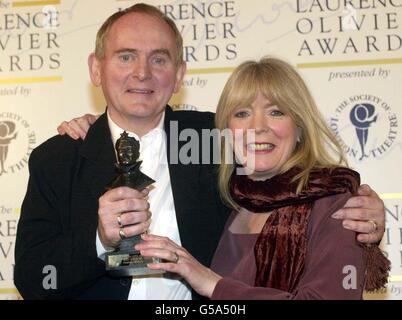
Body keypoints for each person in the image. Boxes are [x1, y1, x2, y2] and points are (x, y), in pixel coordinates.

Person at [15, 3, 384, 300]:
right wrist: (99, 239)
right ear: (97, 69)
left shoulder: (218, 138)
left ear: (178, 76)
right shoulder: (58, 159)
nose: (142, 73)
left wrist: (360, 207)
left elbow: (291, 178)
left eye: (159, 59)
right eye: (126, 57)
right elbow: (34, 280)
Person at [132, 57, 390, 299]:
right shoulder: (226, 200)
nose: (258, 126)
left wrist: (213, 284)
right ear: (226, 132)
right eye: (242, 113)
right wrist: (97, 128)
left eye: (276, 112)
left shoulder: (335, 204)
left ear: (299, 127)